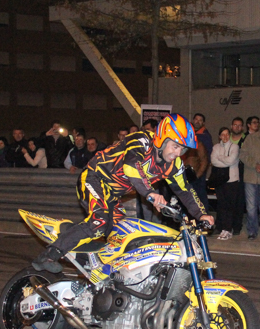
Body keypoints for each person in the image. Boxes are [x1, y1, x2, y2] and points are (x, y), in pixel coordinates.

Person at [32, 113, 213, 273]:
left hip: (111, 194)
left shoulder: (175, 165)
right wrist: (150, 194)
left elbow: (185, 191)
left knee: (122, 234)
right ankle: (49, 255)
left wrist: (202, 214)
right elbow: (132, 167)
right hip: (93, 178)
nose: (178, 153)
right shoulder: (142, 140)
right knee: (100, 220)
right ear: (162, 139)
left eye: (183, 149)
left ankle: (107, 274)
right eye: (175, 146)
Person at [210, 127, 241, 240]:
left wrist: (220, 158)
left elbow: (231, 161)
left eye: (227, 134)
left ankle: (228, 229)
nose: (225, 137)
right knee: (221, 205)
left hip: (231, 181)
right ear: (219, 136)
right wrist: (224, 160)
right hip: (219, 180)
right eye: (223, 134)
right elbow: (213, 161)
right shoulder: (216, 147)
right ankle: (221, 227)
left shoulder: (235, 147)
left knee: (230, 206)